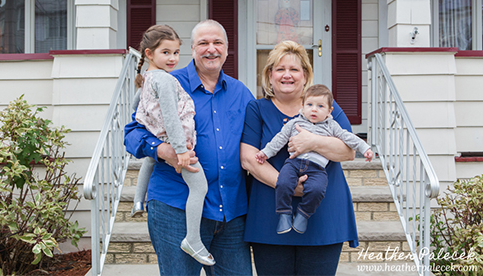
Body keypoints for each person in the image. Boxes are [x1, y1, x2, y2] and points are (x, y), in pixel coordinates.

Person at [124, 19, 255, 275]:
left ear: (227, 48)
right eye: (203, 43)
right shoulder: (168, 82)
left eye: (218, 43)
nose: (211, 49)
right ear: (193, 49)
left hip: (230, 212)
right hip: (176, 209)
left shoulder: (241, 92)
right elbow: (132, 133)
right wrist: (162, 151)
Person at [240, 40, 359, 276]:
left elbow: (348, 151)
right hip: (270, 215)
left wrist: (313, 142)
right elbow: (249, 159)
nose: (287, 75)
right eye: (280, 69)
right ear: (270, 75)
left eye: (294, 69)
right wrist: (288, 185)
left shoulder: (325, 107)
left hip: (322, 214)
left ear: (305, 76)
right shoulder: (257, 109)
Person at [129, 25, 213, 265]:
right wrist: (180, 151)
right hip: (177, 144)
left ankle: (137, 199)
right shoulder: (165, 80)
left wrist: (147, 123)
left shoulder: (147, 79)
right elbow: (170, 115)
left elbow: (136, 108)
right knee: (199, 188)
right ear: (149, 54)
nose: (173, 58)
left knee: (151, 159)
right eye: (165, 52)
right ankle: (193, 239)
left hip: (163, 138)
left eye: (176, 53)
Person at [255, 84, 373, 234]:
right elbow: (279, 140)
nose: (314, 109)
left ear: (330, 110)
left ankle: (303, 214)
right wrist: (265, 153)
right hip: (293, 163)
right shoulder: (294, 123)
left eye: (320, 106)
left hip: (317, 168)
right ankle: (284, 214)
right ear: (302, 106)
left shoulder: (332, 126)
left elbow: (348, 138)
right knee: (283, 182)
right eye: (310, 105)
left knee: (317, 190)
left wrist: (365, 148)